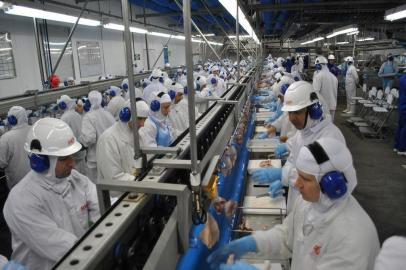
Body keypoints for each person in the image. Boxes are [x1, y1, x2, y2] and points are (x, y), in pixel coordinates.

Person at [208, 138, 380, 270]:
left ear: (331, 185)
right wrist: (252, 243)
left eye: (305, 179)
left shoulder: (353, 238)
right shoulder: (310, 203)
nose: (296, 184)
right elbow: (287, 237)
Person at [3, 118, 100, 270]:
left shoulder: (76, 179)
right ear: (40, 161)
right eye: (64, 158)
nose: (72, 163)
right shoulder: (21, 200)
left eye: (71, 156)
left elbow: (100, 208)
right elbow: (61, 247)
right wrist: (101, 248)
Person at [251, 81, 345, 212]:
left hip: (316, 210)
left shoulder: (329, 138)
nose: (291, 118)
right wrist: (283, 180)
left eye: (297, 112)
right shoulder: (304, 132)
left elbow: (316, 177)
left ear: (314, 111)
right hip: (298, 200)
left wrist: (282, 174)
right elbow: (293, 159)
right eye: (290, 113)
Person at [97, 99, 149, 195]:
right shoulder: (108, 139)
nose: (143, 124)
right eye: (140, 119)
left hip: (136, 190)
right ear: (126, 116)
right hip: (118, 198)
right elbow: (113, 177)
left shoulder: (138, 133)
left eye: (145, 119)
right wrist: (141, 183)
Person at [80, 91, 115, 183]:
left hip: (94, 159)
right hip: (109, 155)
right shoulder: (108, 114)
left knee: (96, 188)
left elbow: (89, 139)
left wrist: (81, 141)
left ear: (88, 102)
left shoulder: (88, 117)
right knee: (109, 184)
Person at [0, 106, 31, 189]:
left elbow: (1, 164)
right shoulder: (34, 130)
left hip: (18, 184)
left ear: (11, 119)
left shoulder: (6, 138)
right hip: (36, 179)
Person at [394, 73, 406, 155]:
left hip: (402, 104)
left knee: (401, 126)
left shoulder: (403, 77)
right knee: (404, 128)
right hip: (405, 105)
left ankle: (397, 146)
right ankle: (402, 148)